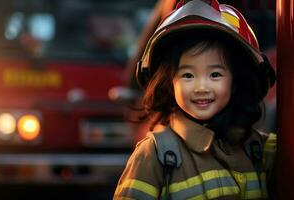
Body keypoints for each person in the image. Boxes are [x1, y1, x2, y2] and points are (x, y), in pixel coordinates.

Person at [113, 0, 276, 199]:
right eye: (188, 75)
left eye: (215, 75)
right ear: (169, 83)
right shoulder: (153, 155)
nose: (201, 88)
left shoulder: (259, 148)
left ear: (236, 82)